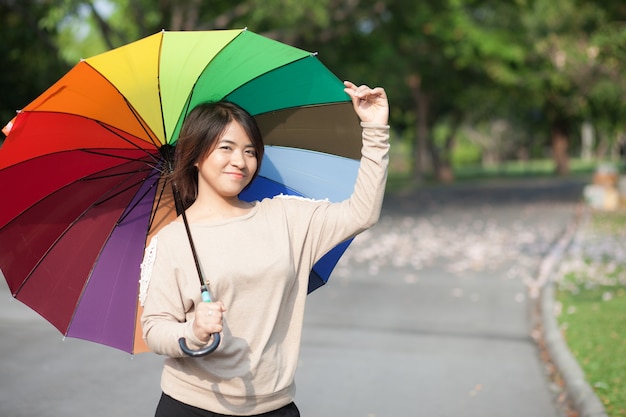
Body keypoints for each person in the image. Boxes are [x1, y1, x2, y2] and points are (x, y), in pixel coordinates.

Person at [140, 81, 390, 417]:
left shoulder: (284, 217)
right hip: (192, 406)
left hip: (274, 406)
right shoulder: (173, 239)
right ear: (196, 156)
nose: (240, 161)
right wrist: (194, 331)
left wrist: (374, 128)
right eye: (225, 148)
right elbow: (155, 328)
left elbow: (362, 212)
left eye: (249, 150)